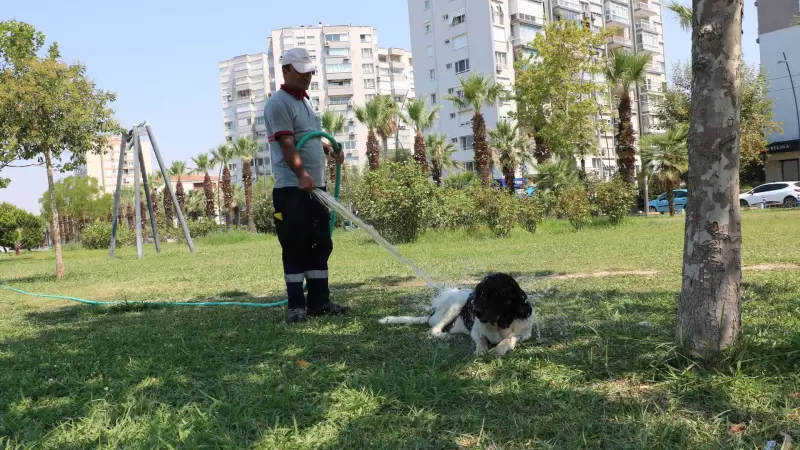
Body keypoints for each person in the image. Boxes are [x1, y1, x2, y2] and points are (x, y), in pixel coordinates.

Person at [263, 48, 348, 324]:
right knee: (295, 244)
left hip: (315, 187)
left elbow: (307, 138)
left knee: (320, 243)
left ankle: (319, 301)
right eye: (301, 72)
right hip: (293, 189)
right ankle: (296, 305)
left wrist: (329, 149)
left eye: (310, 71)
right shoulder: (279, 104)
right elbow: (287, 143)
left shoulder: (306, 103)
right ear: (286, 70)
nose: (307, 77)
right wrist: (301, 174)